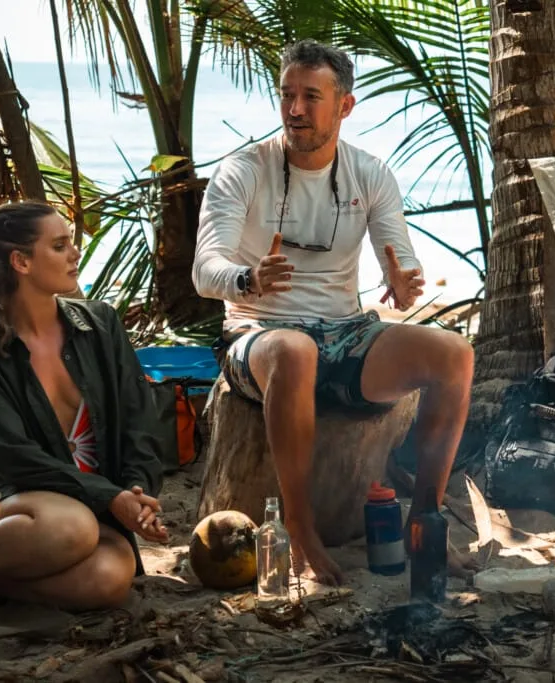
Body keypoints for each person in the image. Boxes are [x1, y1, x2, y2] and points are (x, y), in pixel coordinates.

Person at [193, 40, 475, 586]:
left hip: (346, 333)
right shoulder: (243, 171)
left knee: (454, 354)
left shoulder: (369, 173)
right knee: (295, 351)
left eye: (310, 97)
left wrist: (402, 280)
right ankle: (299, 530)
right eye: (287, 95)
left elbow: (401, 256)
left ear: (344, 106)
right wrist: (248, 279)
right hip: (259, 335)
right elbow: (205, 270)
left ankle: (426, 519)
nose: (295, 109)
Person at [0, 202, 168, 678]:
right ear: (21, 262)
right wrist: (112, 496)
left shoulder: (101, 324)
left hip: (98, 505)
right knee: (74, 526)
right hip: (14, 508)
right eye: (59, 246)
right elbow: (15, 460)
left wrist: (138, 493)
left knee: (109, 579)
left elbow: (140, 421)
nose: (74, 253)